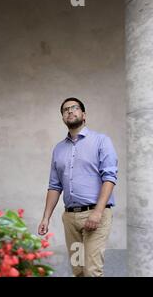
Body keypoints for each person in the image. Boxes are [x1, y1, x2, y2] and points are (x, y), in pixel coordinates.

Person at [38, 97, 118, 277]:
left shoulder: (101, 141)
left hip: (96, 215)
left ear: (84, 115)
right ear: (63, 118)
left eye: (74, 108)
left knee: (92, 271)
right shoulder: (58, 149)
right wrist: (46, 218)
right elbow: (54, 185)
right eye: (65, 110)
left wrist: (97, 212)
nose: (70, 111)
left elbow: (110, 177)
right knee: (78, 271)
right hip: (70, 218)